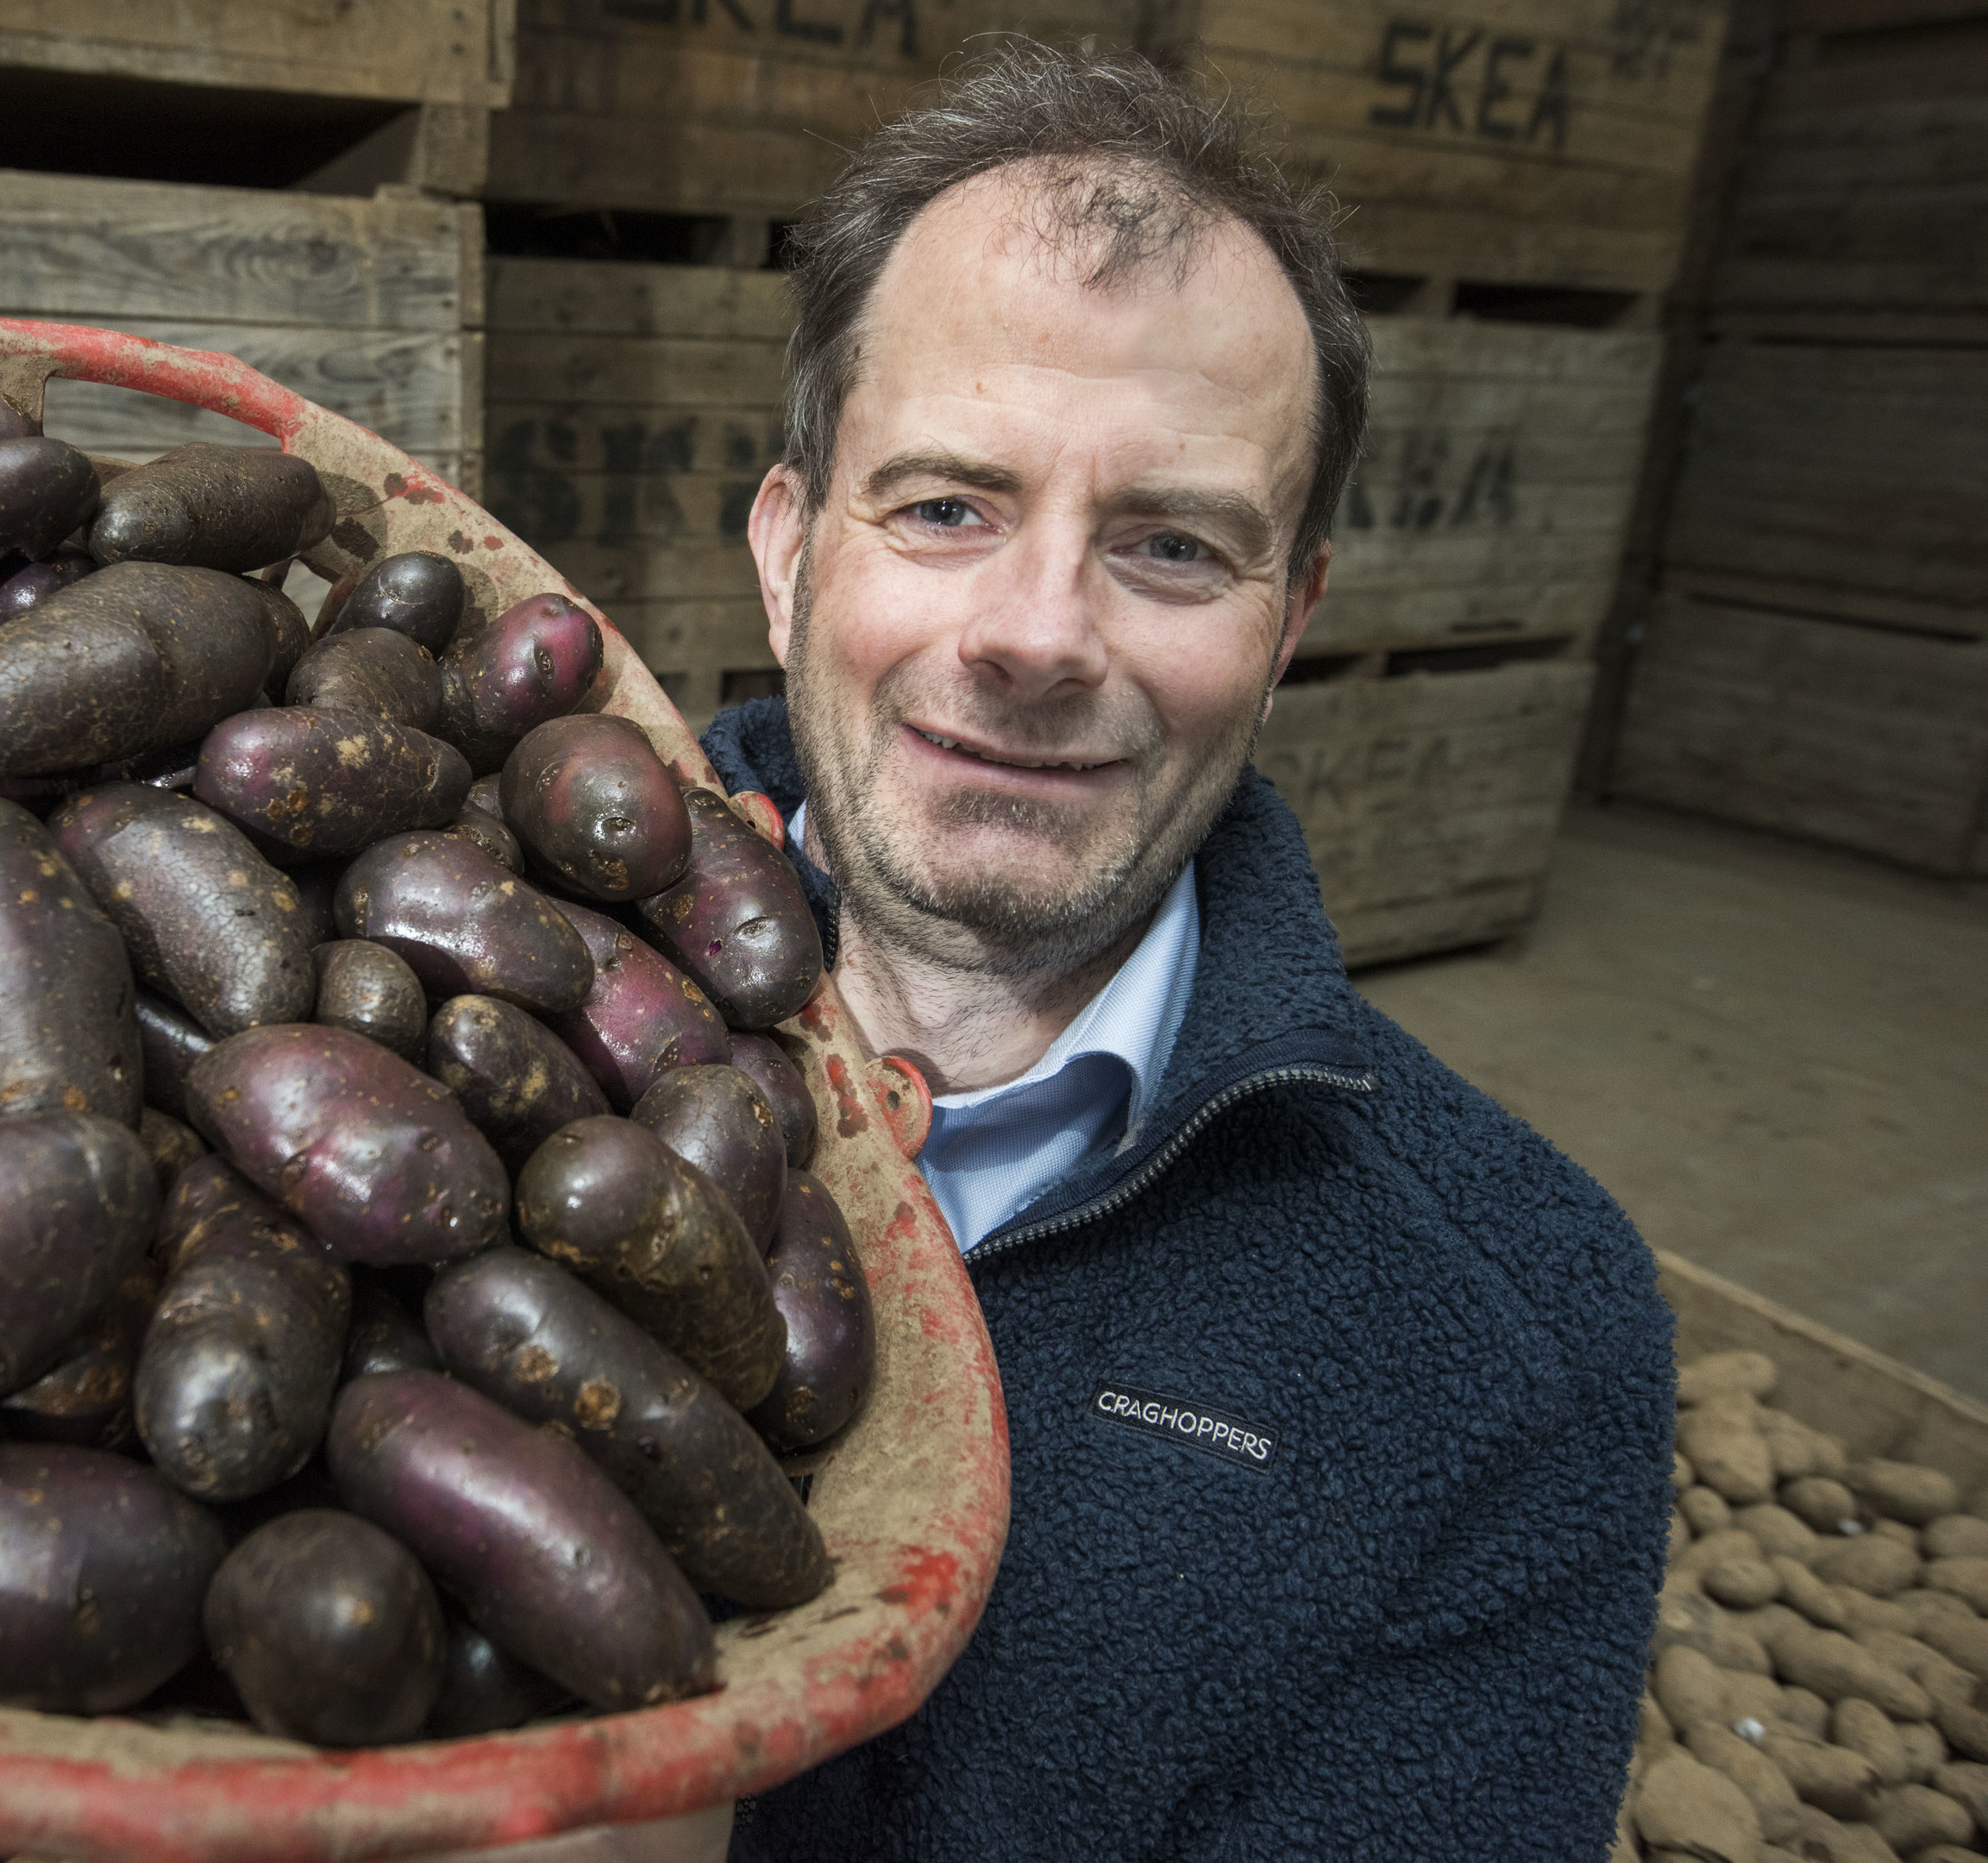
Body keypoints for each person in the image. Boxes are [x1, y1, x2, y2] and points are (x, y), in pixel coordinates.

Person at [682, 42, 1676, 1860]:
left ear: (1289, 620)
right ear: (786, 548)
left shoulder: (1524, 1332)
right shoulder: (411, 1026)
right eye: (944, 506)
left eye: (1168, 545)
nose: (1036, 633)